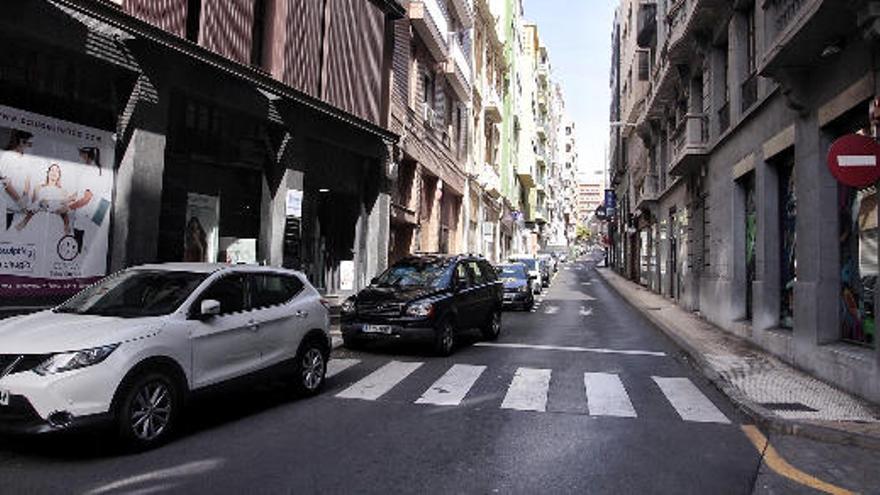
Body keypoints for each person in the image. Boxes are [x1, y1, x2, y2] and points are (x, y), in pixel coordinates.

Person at [16, 163, 74, 234]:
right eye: (52, 170)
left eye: (57, 171)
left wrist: (66, 225)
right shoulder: (38, 188)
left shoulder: (63, 191)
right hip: (38, 220)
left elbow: (64, 213)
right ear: (48, 173)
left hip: (55, 222)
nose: (54, 173)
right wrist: (24, 222)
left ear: (59, 175)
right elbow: (33, 209)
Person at [0, 130, 35, 231]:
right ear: (21, 141)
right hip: (5, 207)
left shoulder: (26, 159)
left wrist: (25, 196)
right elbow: (6, 184)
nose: (30, 147)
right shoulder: (7, 157)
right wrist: (20, 202)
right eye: (29, 144)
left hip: (17, 208)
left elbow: (28, 178)